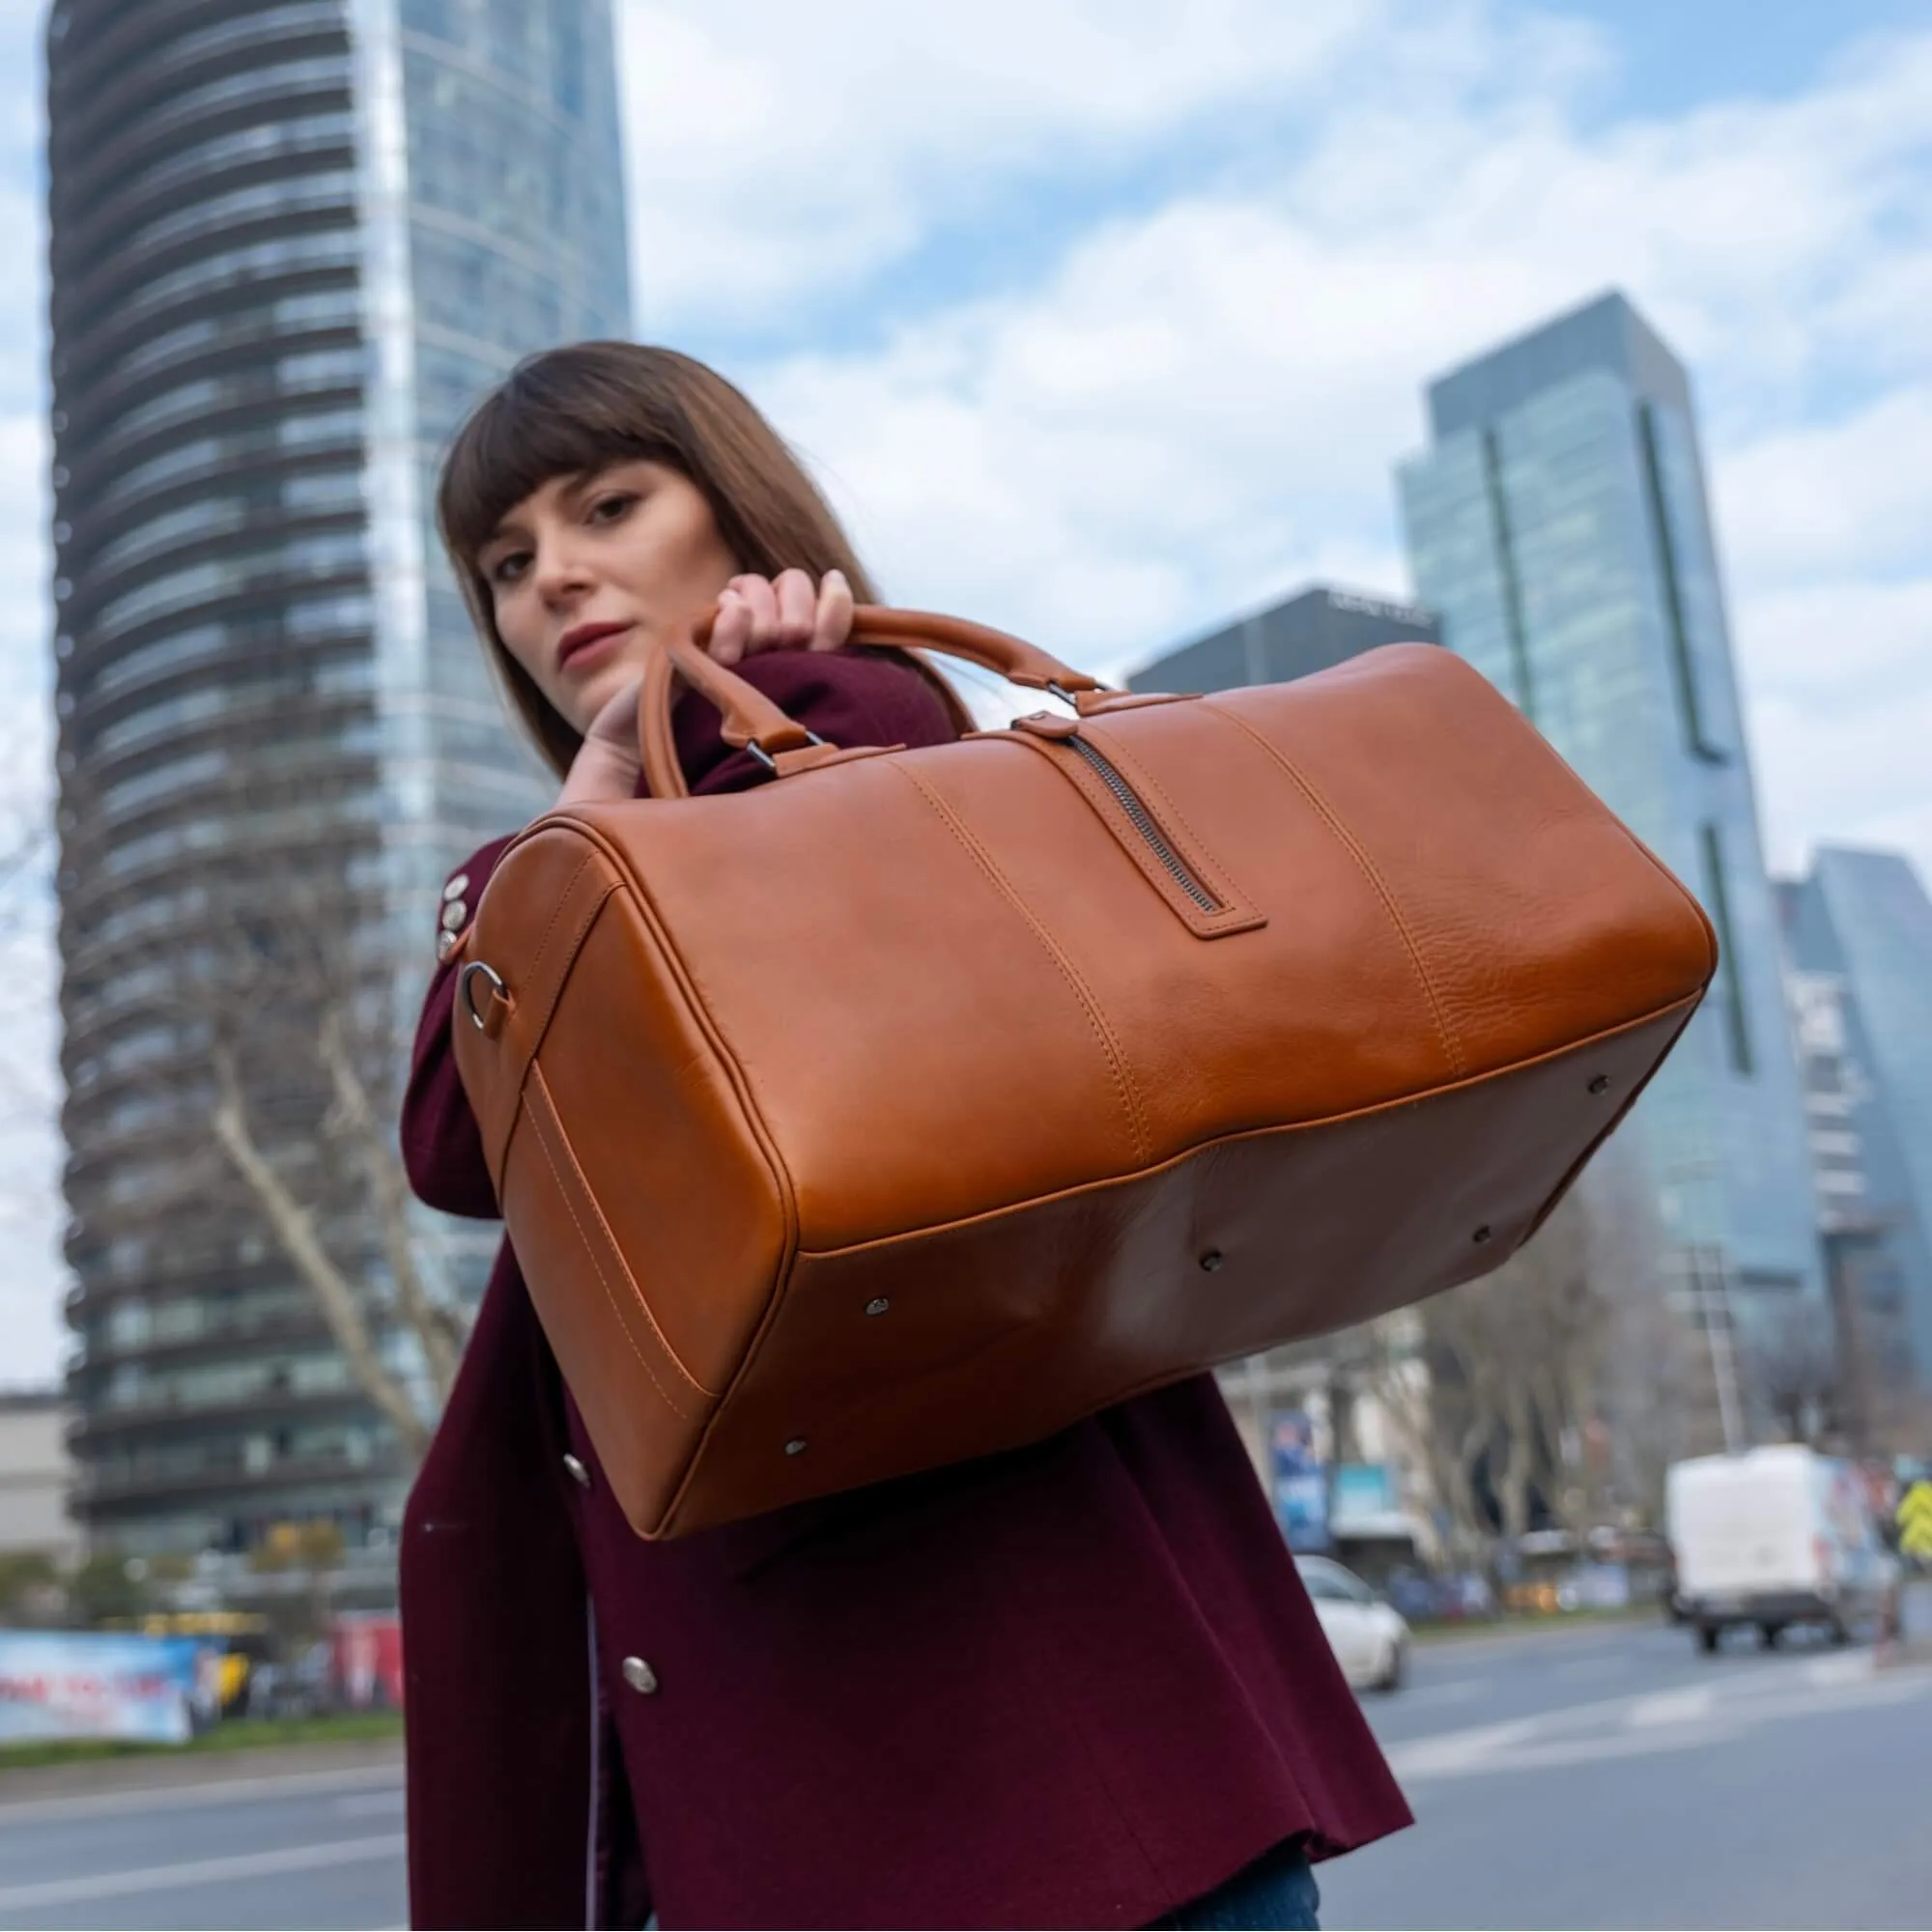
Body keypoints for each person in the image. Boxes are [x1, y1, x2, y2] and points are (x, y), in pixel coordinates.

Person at [399, 340, 1410, 1930]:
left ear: (733, 516)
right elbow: (456, 1147)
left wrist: (753, 731)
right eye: (507, 564)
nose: (556, 582)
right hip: (800, 1730)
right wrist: (591, 807)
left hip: (1008, 1675)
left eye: (608, 507)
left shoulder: (853, 721)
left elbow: (888, 1041)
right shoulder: (567, 848)